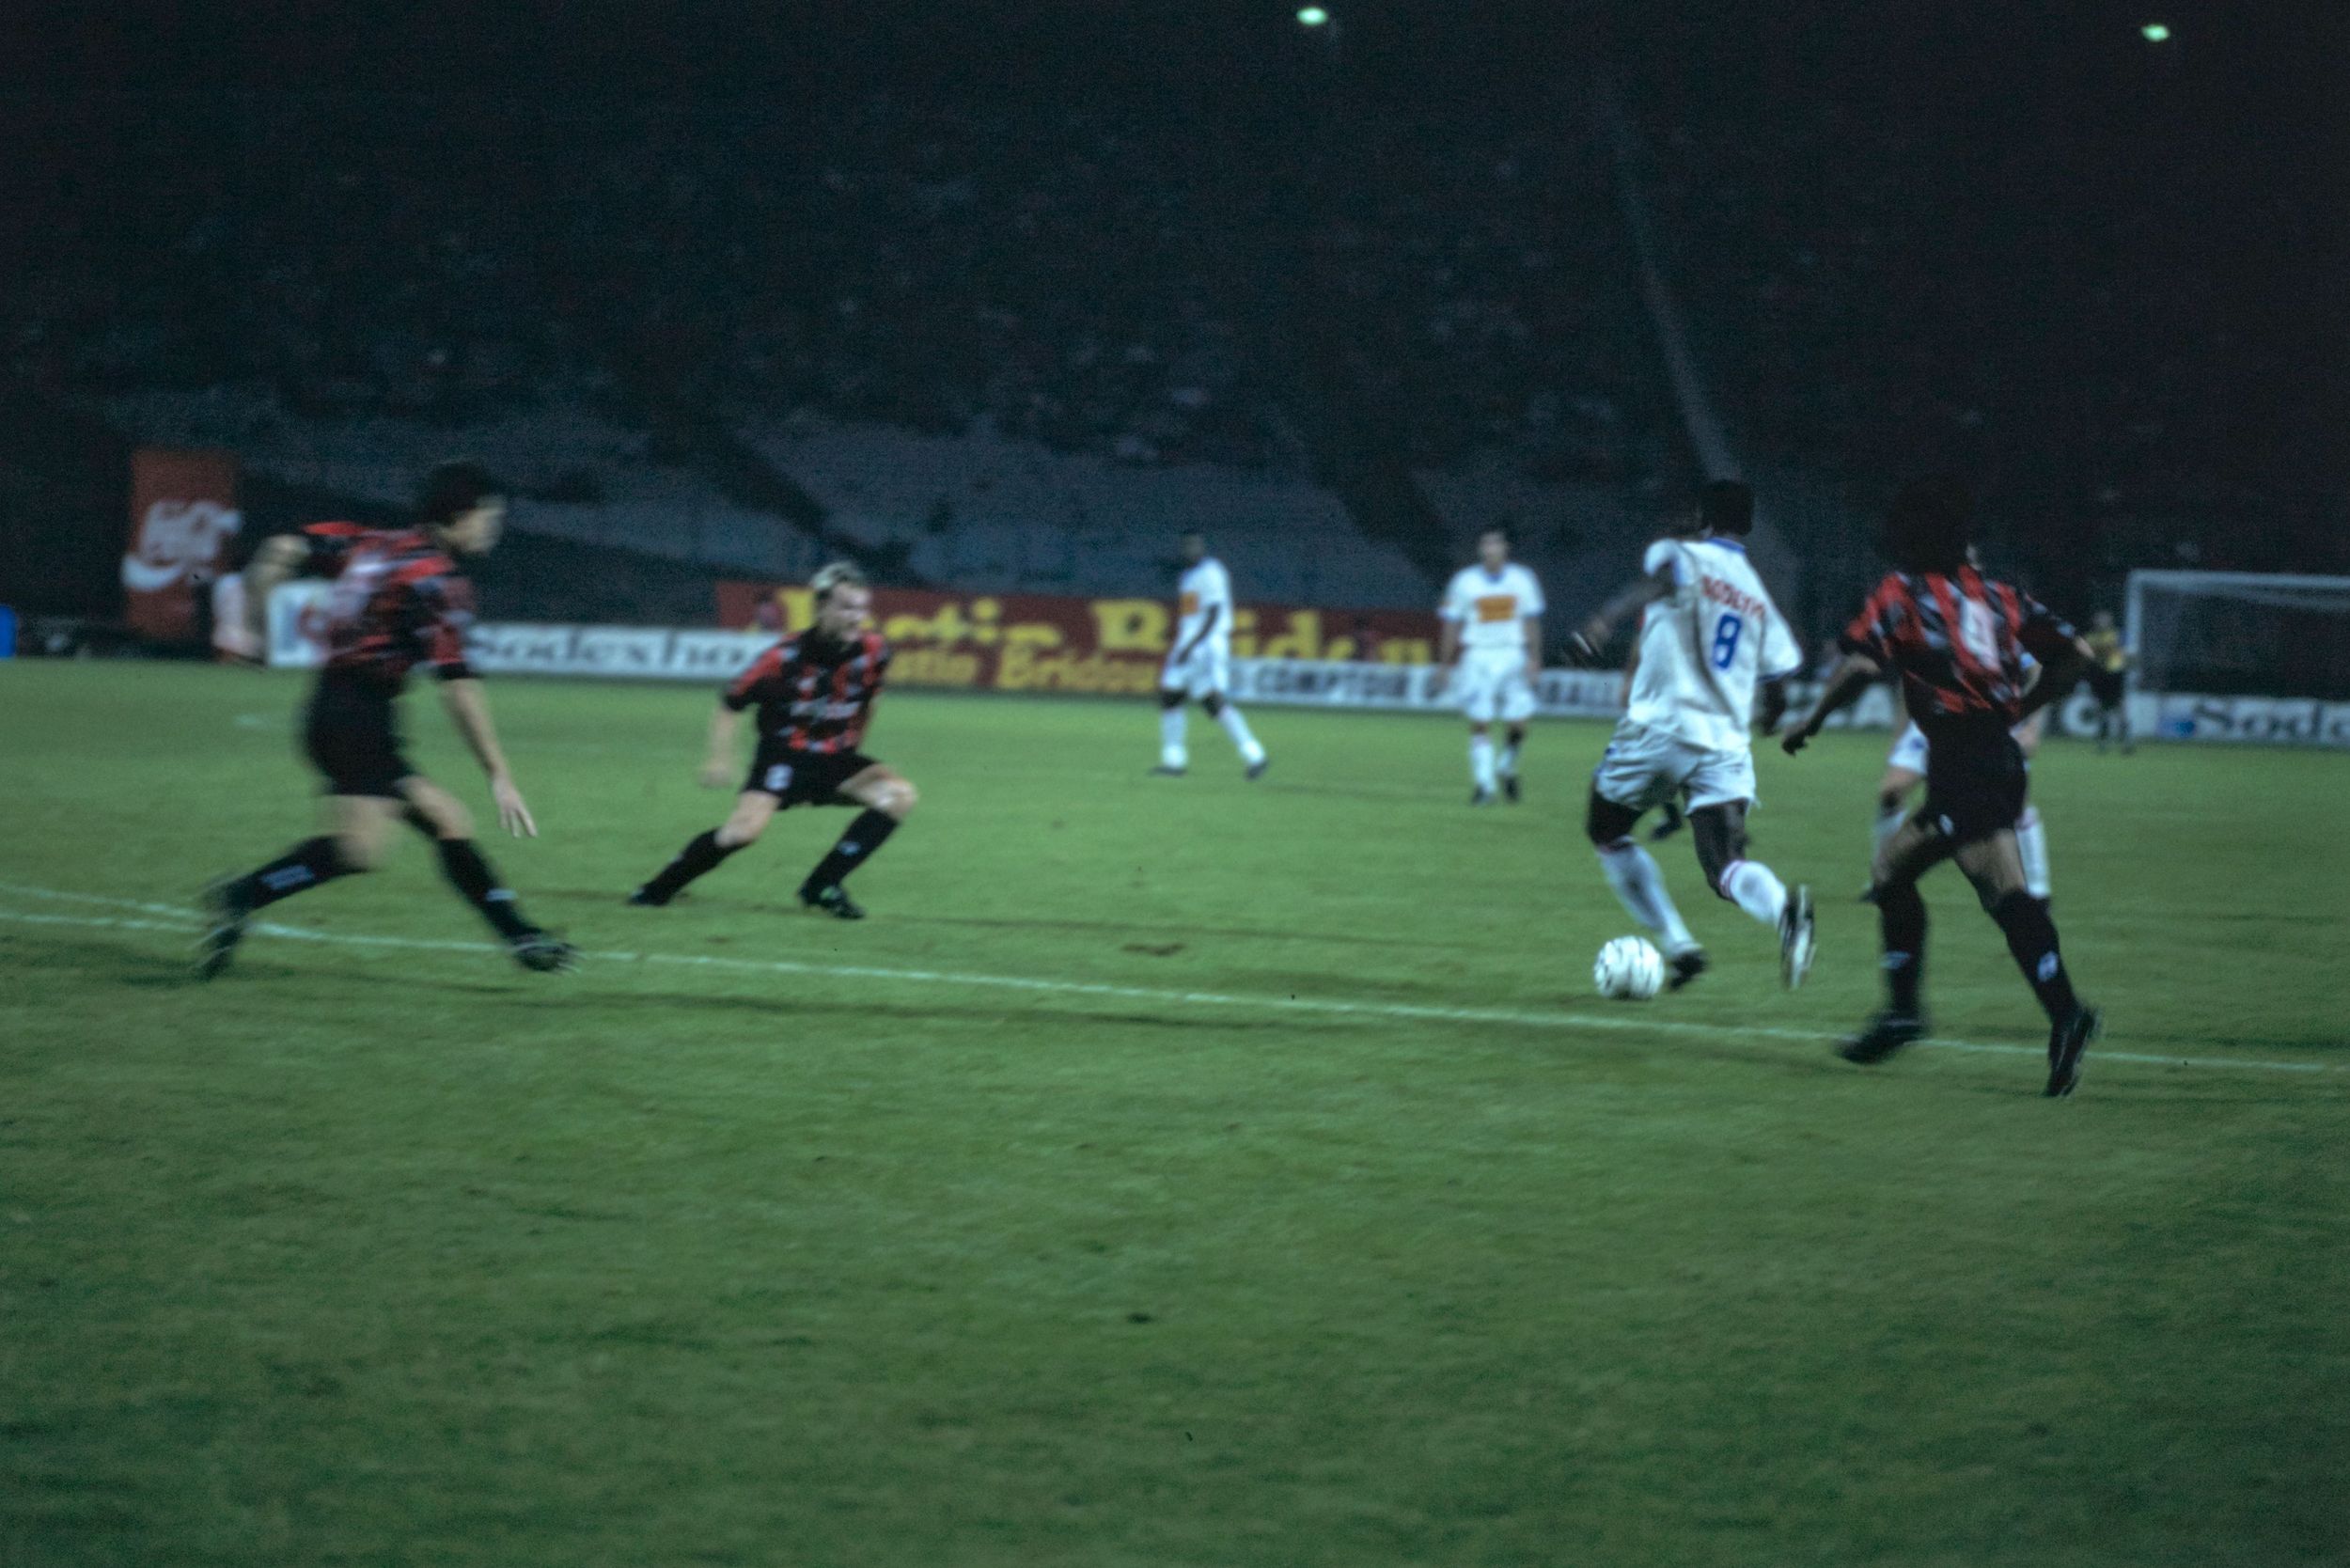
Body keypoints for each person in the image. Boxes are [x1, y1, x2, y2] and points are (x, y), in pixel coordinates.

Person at [1781, 478, 2100, 1095]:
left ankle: (2057, 1011)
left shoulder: (1903, 593)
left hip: (1963, 760)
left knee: (1994, 892)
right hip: (1998, 758)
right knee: (1900, 872)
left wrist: (1812, 720)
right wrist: (2024, 705)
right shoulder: (2001, 596)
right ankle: (1915, 1011)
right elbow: (2078, 655)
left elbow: (1861, 664)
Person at [197, 462, 574, 978]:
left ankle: (521, 937)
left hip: (338, 707)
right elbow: (459, 687)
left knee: (447, 820)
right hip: (359, 716)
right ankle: (240, 895)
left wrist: (256, 630)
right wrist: (499, 774)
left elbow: (277, 553)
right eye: (490, 518)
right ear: (459, 516)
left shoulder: (369, 544)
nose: (494, 530)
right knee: (359, 851)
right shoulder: (438, 580)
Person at [1567, 480, 1814, 990]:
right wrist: (1772, 716)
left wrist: (1602, 621)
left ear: (1703, 515)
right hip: (1725, 742)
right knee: (1727, 865)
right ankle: (1784, 911)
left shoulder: (1680, 553)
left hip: (1661, 726)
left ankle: (1680, 946)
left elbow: (1661, 582)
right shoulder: (1757, 595)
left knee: (1606, 831)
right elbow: (1779, 682)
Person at [630, 562, 914, 920]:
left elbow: (872, 696)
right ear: (821, 606)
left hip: (835, 758)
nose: (856, 617)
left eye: (861, 608)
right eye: (846, 607)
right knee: (741, 834)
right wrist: (719, 759)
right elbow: (730, 704)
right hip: (783, 759)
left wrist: (855, 744)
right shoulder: (782, 657)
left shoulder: (874, 650)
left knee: (899, 796)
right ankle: (658, 888)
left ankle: (823, 886)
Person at [1872, 702, 2052, 905]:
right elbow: (1907, 681)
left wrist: (2031, 728)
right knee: (1891, 791)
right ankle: (1883, 881)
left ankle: (2036, 891)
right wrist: (1899, 733)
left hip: (1987, 721)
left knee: (2007, 808)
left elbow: (2038, 672)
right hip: (1934, 718)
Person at [1436, 525, 1545, 804]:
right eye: (1486, 544)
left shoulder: (1522, 580)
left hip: (1512, 654)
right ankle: (1485, 786)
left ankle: (1506, 766)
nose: (1491, 549)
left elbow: (1531, 621)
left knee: (1518, 724)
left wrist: (1534, 658)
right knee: (1480, 721)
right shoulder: (1465, 582)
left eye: (1496, 543)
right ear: (1480, 549)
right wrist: (1444, 664)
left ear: (1505, 548)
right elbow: (1452, 623)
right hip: (1478, 656)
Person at [1152, 531, 1268, 778]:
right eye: (1186, 545)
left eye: (1195, 545)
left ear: (1203, 547)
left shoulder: (1211, 572)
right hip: (1192, 643)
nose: (1190, 549)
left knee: (1195, 699)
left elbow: (1215, 613)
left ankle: (1252, 754)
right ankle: (1176, 762)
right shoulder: (1188, 576)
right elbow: (1193, 614)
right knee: (1182, 698)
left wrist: (1192, 645)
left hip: (1205, 645)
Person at [2083, 609, 2133, 753]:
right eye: (2099, 619)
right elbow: (2088, 656)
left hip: (2115, 674)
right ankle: (2103, 743)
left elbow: (2125, 652)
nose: (2101, 622)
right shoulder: (2090, 637)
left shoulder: (2118, 634)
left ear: (2110, 620)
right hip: (2099, 675)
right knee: (2101, 708)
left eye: (2104, 619)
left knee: (2120, 707)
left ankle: (2126, 742)